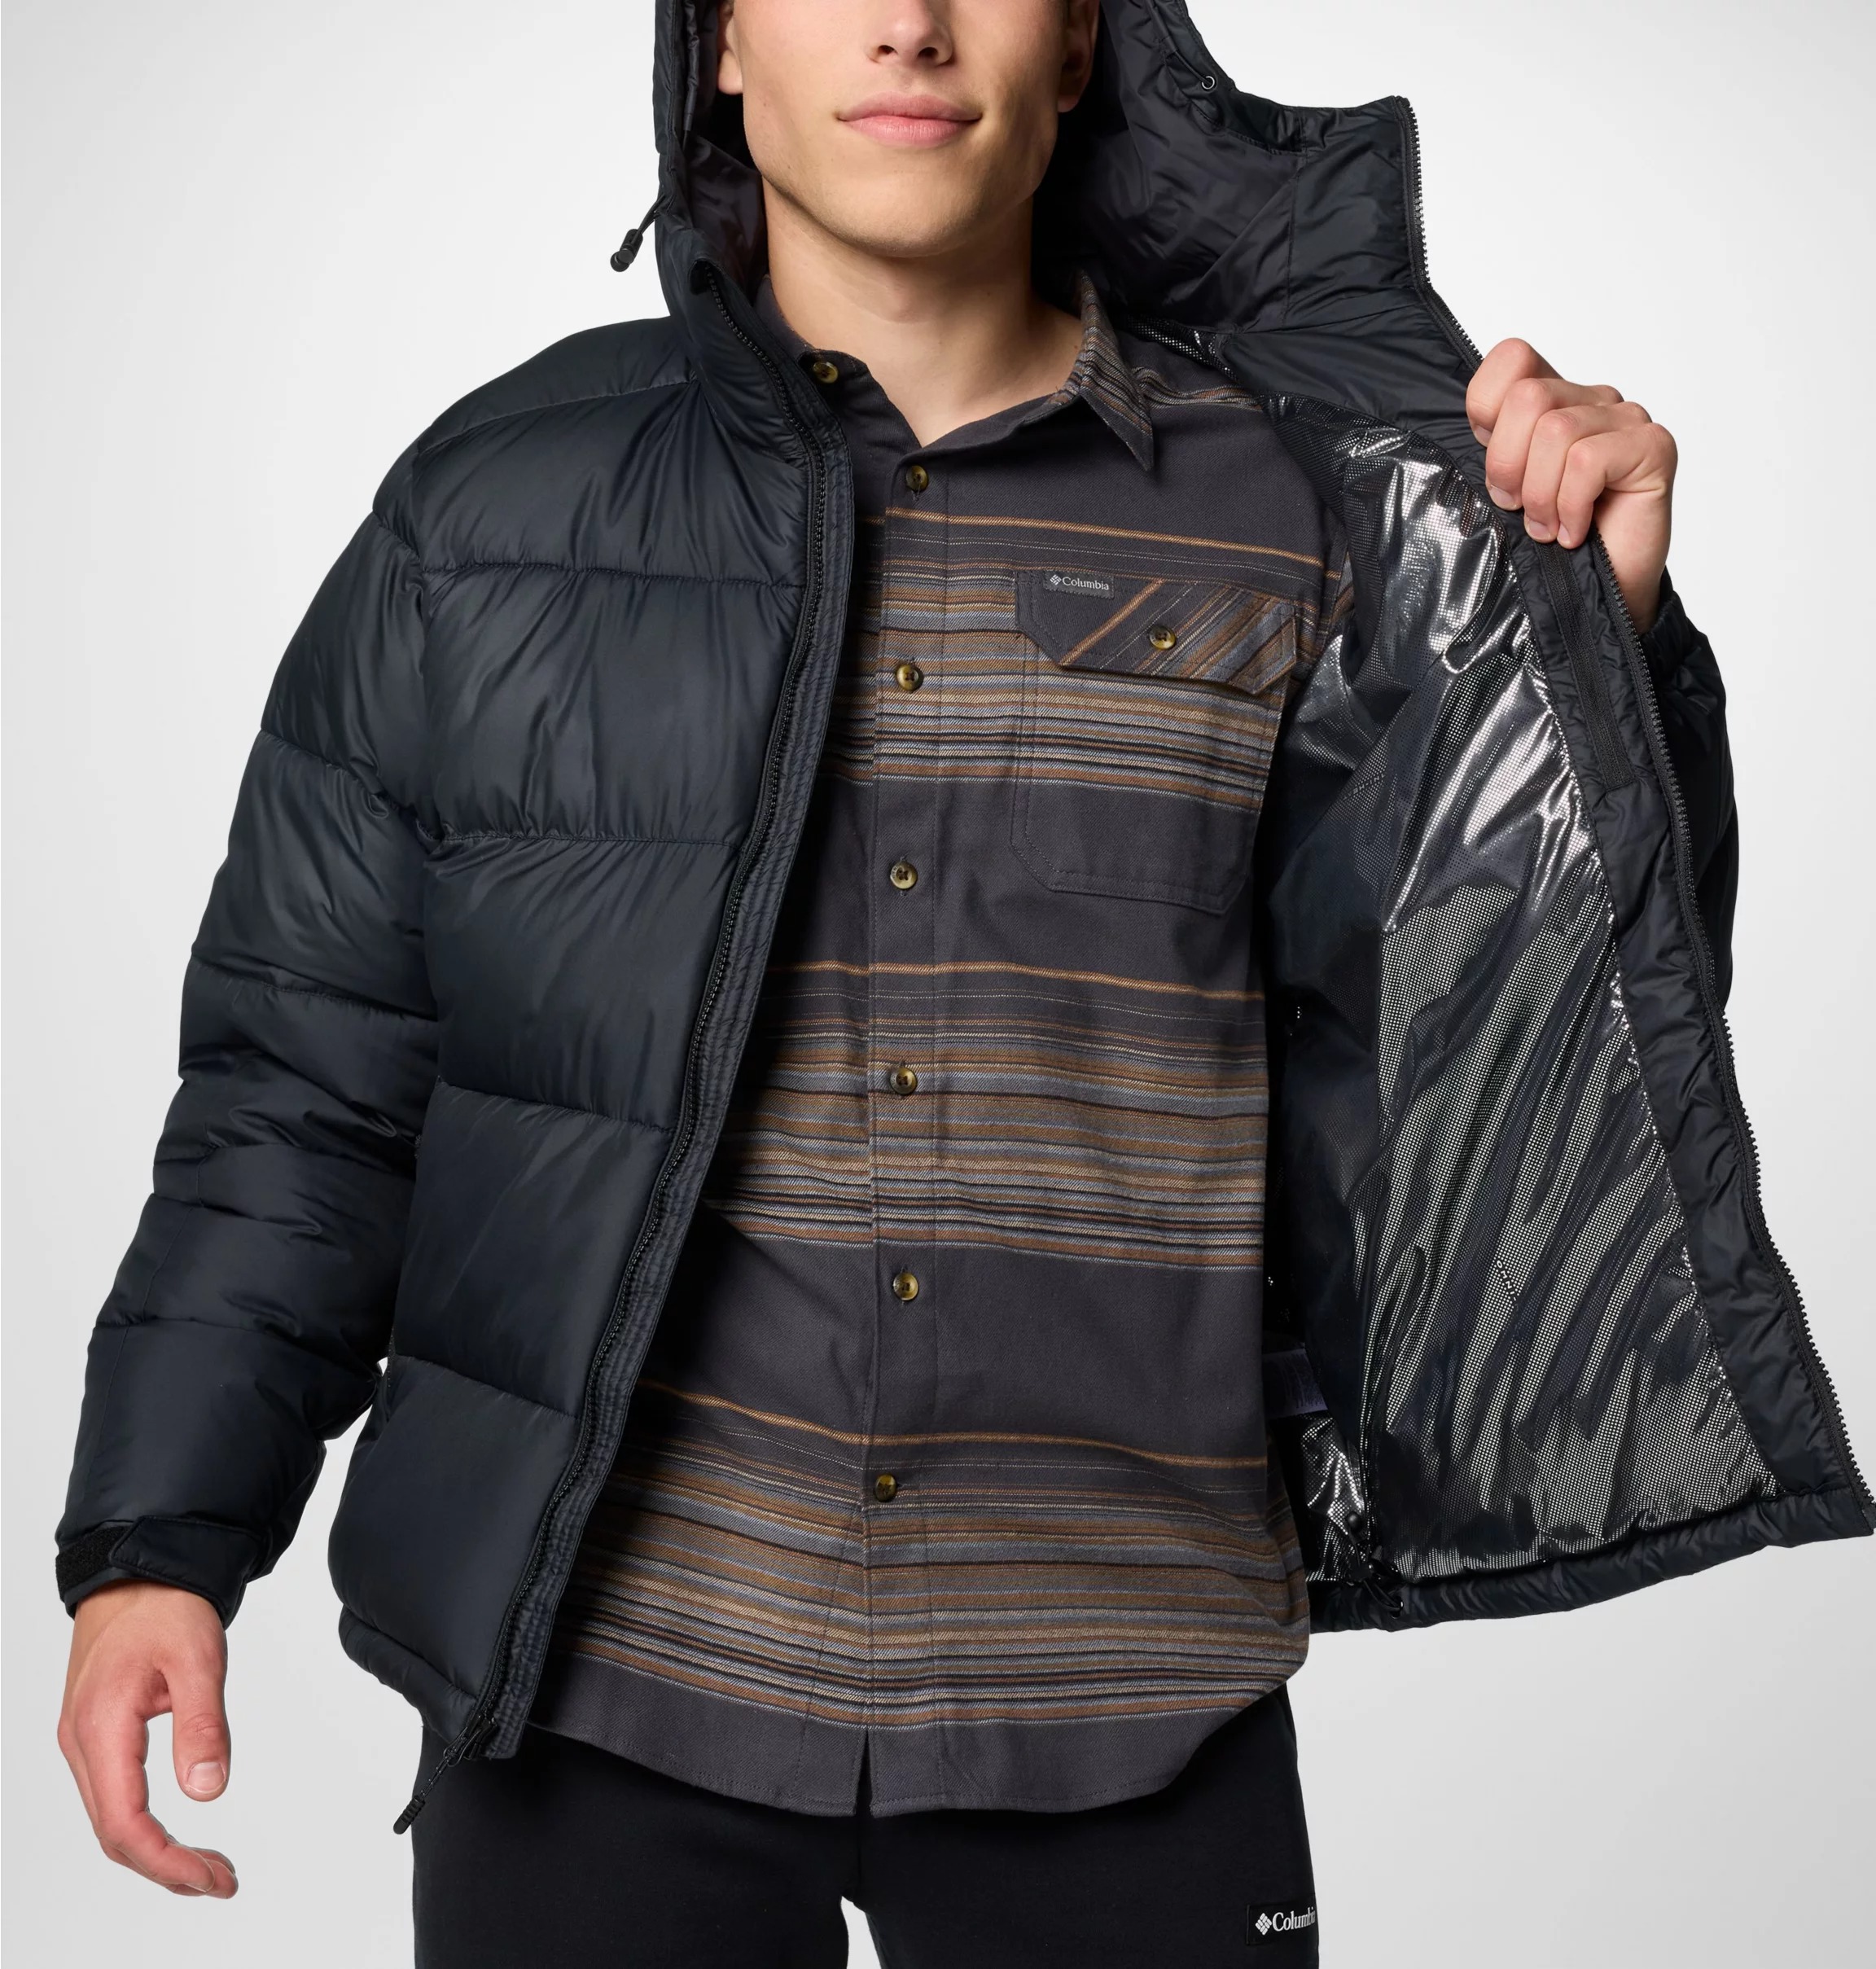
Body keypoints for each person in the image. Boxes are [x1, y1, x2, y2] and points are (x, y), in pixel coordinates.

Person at [54, 2, 1869, 1962]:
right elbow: (306, 1087)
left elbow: (1498, 1060)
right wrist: (162, 1542)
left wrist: (1587, 657)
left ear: (1079, 46)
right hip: (599, 1700)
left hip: (1131, 1704)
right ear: (719, 44)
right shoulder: (487, 515)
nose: (909, 24)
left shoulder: (1305, 511)